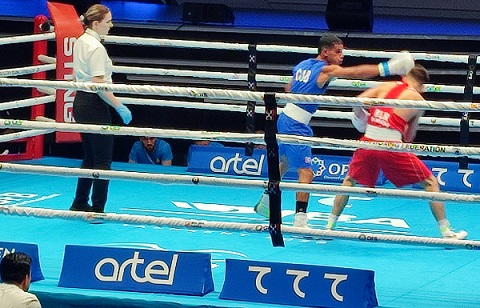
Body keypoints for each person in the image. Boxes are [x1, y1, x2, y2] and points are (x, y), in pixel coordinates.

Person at [254, 33, 415, 228]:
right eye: (338, 52)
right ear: (325, 52)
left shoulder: (303, 64)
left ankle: (265, 202)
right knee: (306, 174)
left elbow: (289, 88)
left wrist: (306, 92)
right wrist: (388, 68)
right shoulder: (325, 69)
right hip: (296, 124)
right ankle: (300, 220)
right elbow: (354, 73)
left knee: (286, 161)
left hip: (285, 118)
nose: (341, 56)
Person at [325, 64, 467, 240]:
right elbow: (408, 137)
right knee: (431, 183)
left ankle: (329, 227)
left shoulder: (385, 86)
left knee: (349, 180)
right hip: (391, 145)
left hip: (368, 141)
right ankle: (446, 233)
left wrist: (364, 119)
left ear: (406, 76)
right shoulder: (417, 99)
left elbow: (357, 101)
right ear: (422, 85)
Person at [70, 4, 132, 213]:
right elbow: (98, 85)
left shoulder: (81, 41)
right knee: (103, 160)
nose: (111, 25)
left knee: (90, 157)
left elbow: (79, 76)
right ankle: (97, 209)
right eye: (108, 21)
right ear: (96, 24)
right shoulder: (95, 47)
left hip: (81, 102)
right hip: (94, 104)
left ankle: (79, 202)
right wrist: (119, 105)